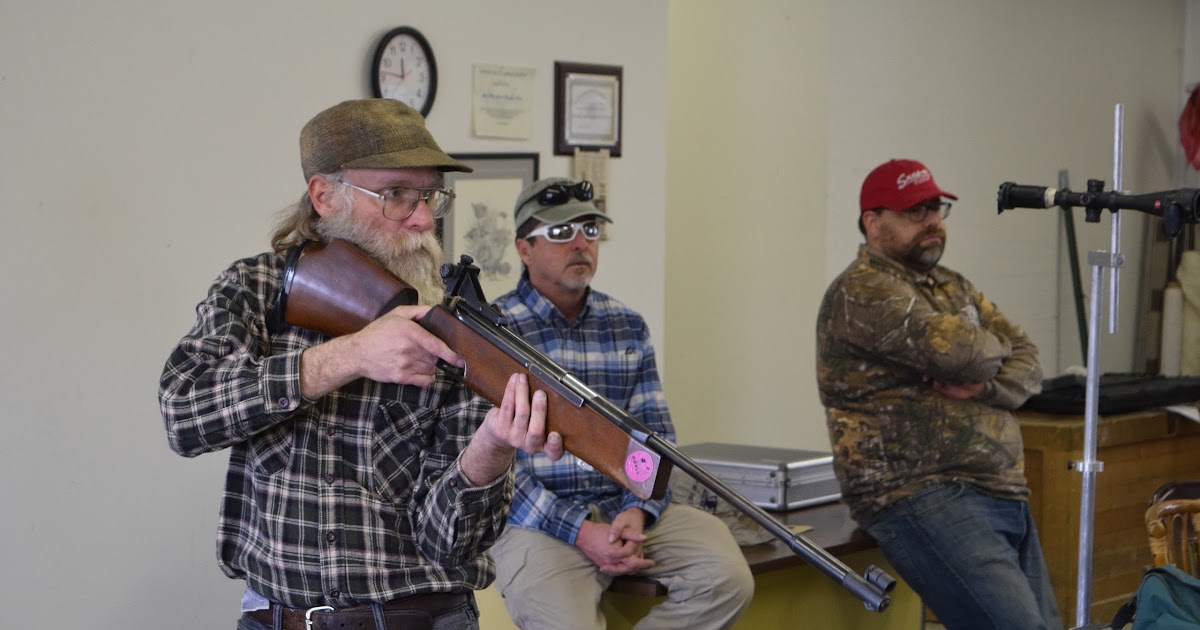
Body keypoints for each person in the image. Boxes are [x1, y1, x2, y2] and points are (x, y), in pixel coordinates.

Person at [158, 98, 564, 630]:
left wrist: (491, 448)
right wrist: (350, 355)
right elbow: (183, 413)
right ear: (325, 196)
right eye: (395, 195)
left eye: (429, 195)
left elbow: (450, 542)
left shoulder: (455, 328)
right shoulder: (256, 288)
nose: (424, 219)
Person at [486, 177, 755, 630]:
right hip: (536, 521)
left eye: (590, 230)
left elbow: (656, 436)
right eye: (561, 232)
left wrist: (637, 509)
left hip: (623, 507)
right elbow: (492, 468)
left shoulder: (627, 325)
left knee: (727, 579)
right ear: (524, 248)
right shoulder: (494, 333)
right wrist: (579, 529)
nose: (580, 244)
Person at [815, 158, 1063, 630]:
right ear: (873, 222)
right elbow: (962, 355)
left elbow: (1029, 359)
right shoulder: (864, 291)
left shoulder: (951, 285)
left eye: (936, 208)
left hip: (998, 489)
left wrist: (986, 384)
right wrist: (990, 349)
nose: (932, 221)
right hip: (921, 493)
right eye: (915, 211)